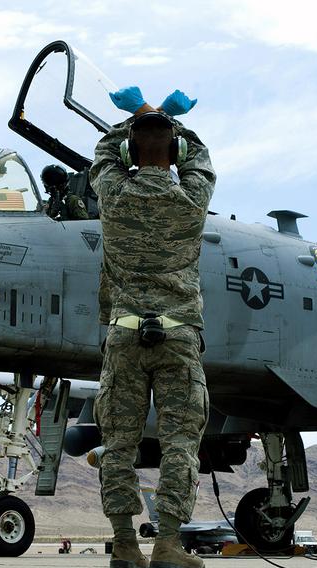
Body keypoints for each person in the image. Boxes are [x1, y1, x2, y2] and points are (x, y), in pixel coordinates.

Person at [90, 86, 215, 568]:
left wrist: (136, 116)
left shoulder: (113, 198)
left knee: (117, 444)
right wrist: (165, 118)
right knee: (180, 444)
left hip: (123, 336)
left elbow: (103, 153)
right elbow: (198, 155)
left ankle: (124, 545)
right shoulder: (192, 201)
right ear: (177, 151)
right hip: (179, 335)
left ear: (128, 152)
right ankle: (167, 544)